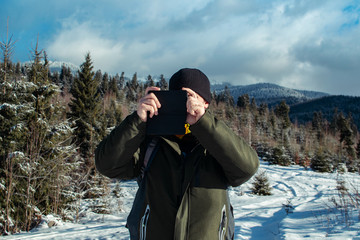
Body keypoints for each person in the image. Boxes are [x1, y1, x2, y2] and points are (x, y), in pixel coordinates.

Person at [95, 68, 259, 240]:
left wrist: (204, 124)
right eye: (179, 98)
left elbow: (247, 168)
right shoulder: (152, 142)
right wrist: (137, 121)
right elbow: (107, 165)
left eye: (192, 97)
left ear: (206, 104)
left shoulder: (217, 143)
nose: (186, 104)